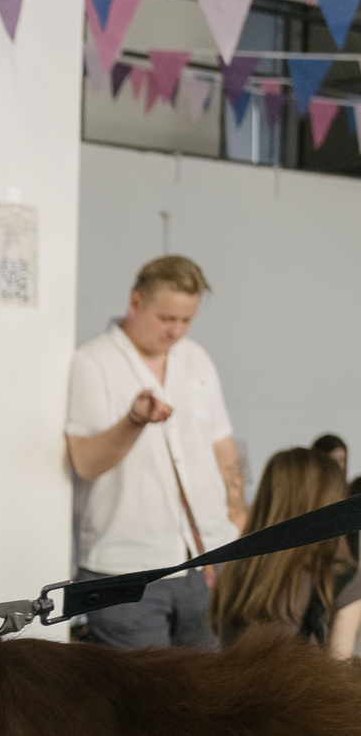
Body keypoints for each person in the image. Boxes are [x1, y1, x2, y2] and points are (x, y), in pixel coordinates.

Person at [62, 255, 247, 650]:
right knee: (143, 704)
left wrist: (237, 513)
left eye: (186, 320)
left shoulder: (196, 359)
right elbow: (85, 461)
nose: (176, 331)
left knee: (210, 697)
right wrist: (134, 420)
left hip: (205, 558)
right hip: (125, 568)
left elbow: (222, 443)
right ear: (135, 303)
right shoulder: (93, 362)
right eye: (167, 319)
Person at [211, 448, 361, 655]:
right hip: (302, 687)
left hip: (236, 687)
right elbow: (339, 670)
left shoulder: (233, 571)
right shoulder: (340, 578)